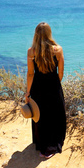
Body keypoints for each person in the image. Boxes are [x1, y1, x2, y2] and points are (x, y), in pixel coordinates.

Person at [25, 22, 66, 158]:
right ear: (49, 33)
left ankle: (41, 144)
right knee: (54, 115)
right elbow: (60, 72)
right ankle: (51, 147)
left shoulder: (31, 52)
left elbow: (30, 74)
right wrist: (56, 84)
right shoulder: (58, 50)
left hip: (38, 86)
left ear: (36, 34)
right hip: (53, 85)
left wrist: (28, 92)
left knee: (40, 116)